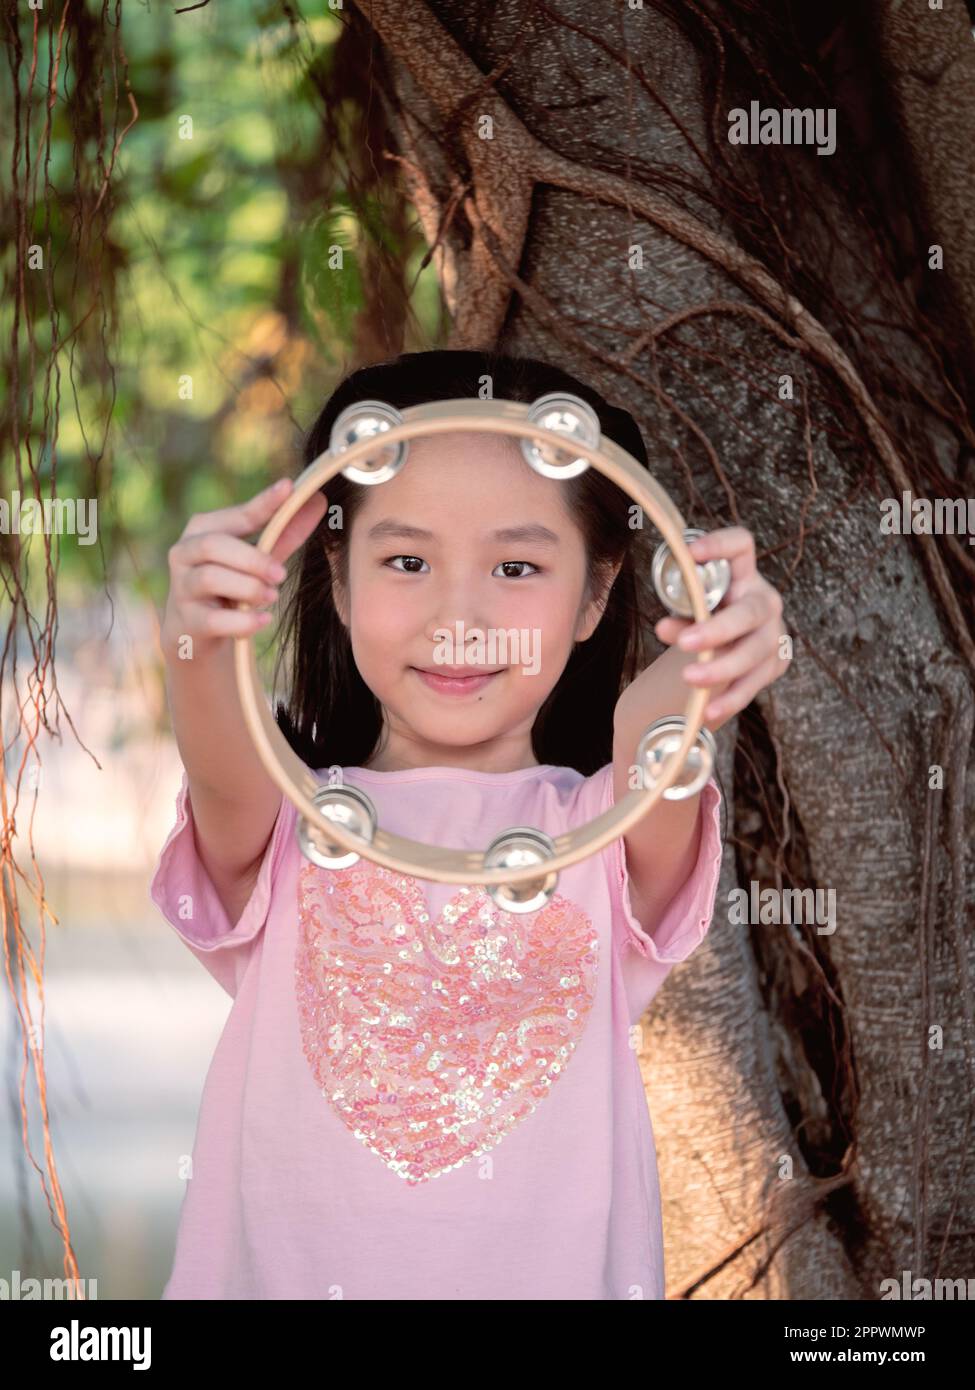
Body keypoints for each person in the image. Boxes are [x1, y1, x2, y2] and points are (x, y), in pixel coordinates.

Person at [150, 348, 787, 1299]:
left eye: (516, 565)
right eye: (406, 561)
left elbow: (654, 736)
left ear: (598, 592)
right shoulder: (282, 823)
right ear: (337, 572)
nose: (460, 617)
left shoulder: (603, 834)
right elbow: (218, 743)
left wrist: (719, 635)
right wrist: (197, 630)